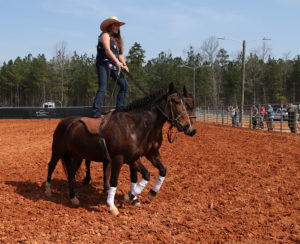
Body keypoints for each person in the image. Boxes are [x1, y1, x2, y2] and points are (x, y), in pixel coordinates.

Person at [92, 16, 129, 118]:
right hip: (104, 64)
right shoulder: (105, 35)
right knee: (103, 87)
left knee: (124, 85)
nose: (117, 27)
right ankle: (96, 112)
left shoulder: (116, 40)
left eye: (118, 25)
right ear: (110, 26)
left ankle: (119, 109)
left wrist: (125, 65)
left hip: (114, 65)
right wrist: (117, 62)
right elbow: (108, 51)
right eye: (115, 25)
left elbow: (120, 54)